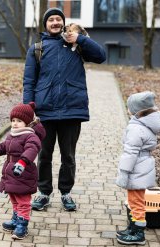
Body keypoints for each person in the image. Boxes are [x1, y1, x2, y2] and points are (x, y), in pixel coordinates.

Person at [23, 7, 106, 212]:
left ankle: (66, 193)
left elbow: (101, 56)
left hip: (72, 110)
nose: (55, 23)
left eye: (58, 20)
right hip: (45, 112)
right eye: (51, 20)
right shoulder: (37, 48)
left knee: (68, 156)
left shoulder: (76, 44)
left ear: (63, 23)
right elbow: (29, 81)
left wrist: (80, 39)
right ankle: (43, 193)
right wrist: (28, 109)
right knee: (44, 155)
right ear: (46, 24)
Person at [0, 102, 46, 240]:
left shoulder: (31, 136)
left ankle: (22, 225)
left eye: (19, 121)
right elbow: (2, 147)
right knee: (14, 198)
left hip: (24, 174)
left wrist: (22, 162)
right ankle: (15, 220)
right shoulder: (12, 135)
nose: (15, 123)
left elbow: (32, 149)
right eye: (13, 120)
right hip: (11, 175)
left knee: (23, 201)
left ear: (27, 122)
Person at [115, 91, 160, 245]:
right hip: (142, 166)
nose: (127, 109)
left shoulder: (137, 128)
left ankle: (138, 234)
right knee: (134, 200)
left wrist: (123, 172)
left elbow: (130, 153)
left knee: (136, 202)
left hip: (136, 168)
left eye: (129, 107)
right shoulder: (144, 124)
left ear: (137, 110)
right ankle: (132, 228)